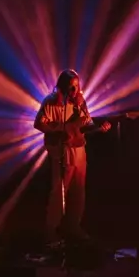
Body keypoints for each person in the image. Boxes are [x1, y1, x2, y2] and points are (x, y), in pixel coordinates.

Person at [33, 69, 110, 244]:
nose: (75, 90)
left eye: (76, 86)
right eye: (71, 87)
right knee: (59, 192)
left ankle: (74, 226)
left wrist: (99, 128)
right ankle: (51, 231)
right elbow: (38, 123)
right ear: (62, 87)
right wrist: (58, 131)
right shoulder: (51, 102)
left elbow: (85, 125)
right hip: (60, 151)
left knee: (78, 189)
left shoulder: (80, 103)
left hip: (79, 150)